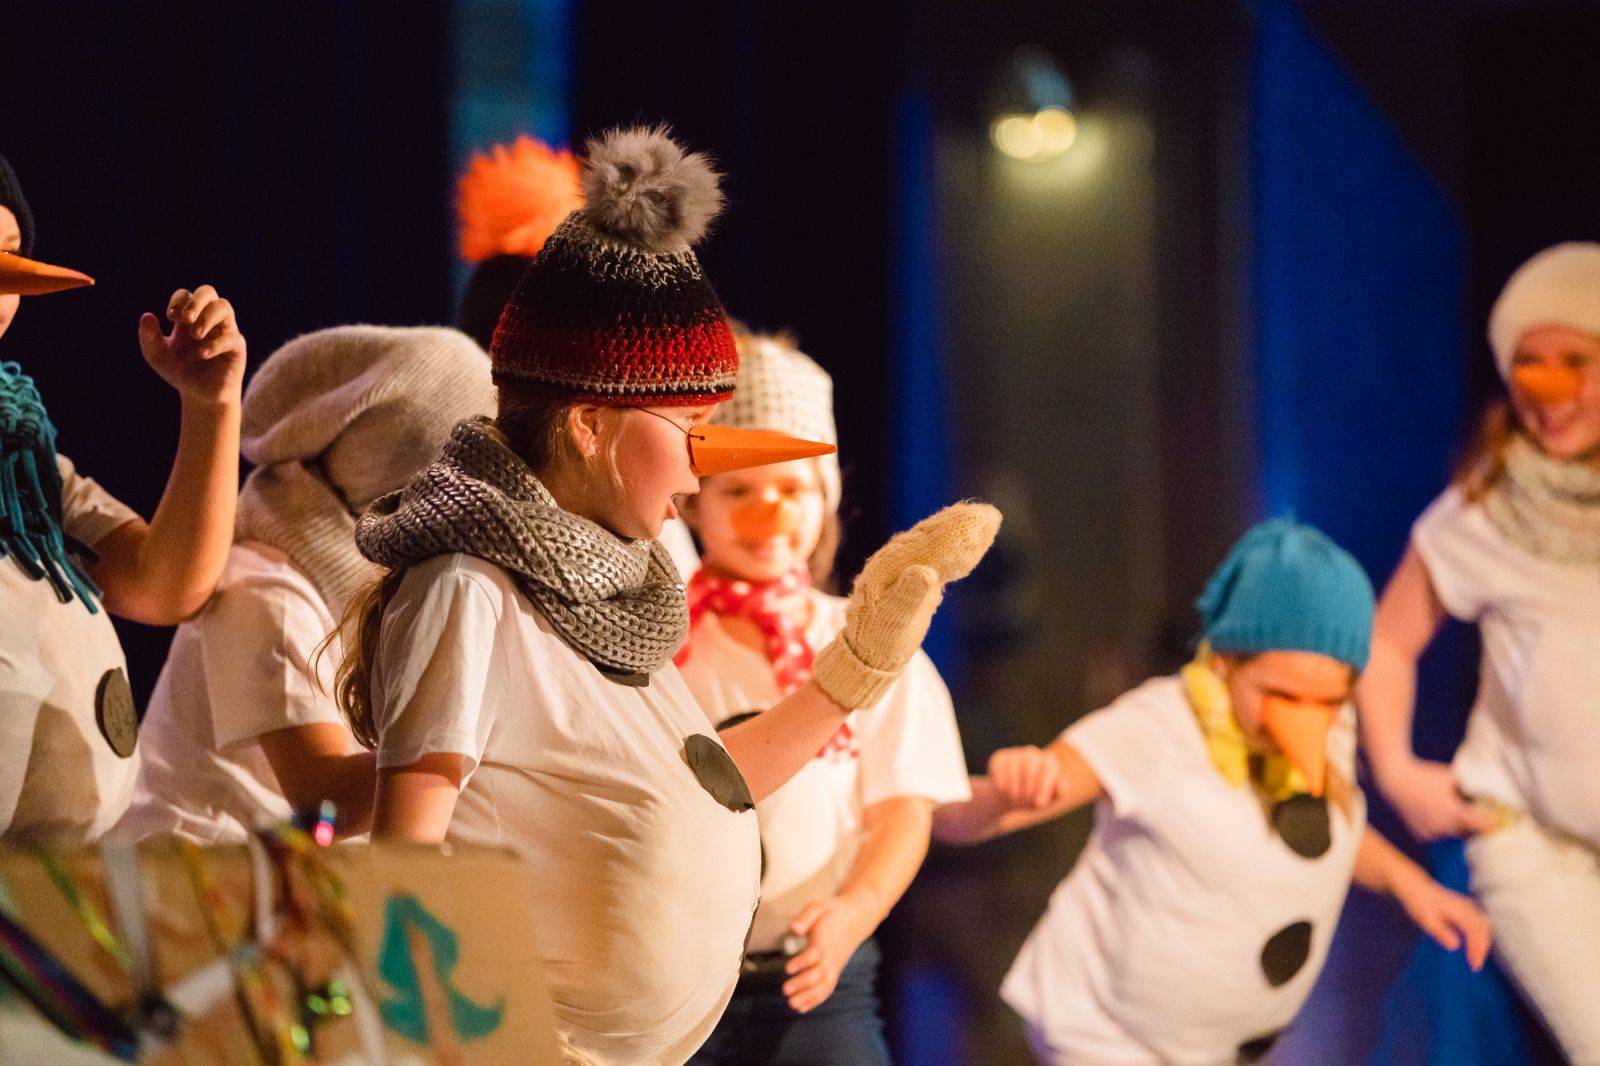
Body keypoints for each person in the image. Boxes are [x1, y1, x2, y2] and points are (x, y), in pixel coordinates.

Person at [332, 126, 1000, 1063]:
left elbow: (705, 785)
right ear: (590, 423)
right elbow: (408, 862)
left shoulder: (611, 584)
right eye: (687, 427)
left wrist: (856, 668)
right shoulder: (469, 588)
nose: (697, 472)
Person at [935, 520, 1489, 1065]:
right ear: (1225, 663)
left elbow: (1335, 834)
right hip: (1107, 1038)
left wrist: (1410, 883)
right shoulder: (1162, 730)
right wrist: (1008, 790)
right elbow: (956, 818)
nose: (1308, 721)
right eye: (1280, 695)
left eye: (1329, 700)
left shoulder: (1330, 727)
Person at [676, 330, 971, 1064]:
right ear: (693, 503)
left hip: (816, 978)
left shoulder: (866, 636)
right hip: (674, 982)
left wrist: (853, 912)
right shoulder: (663, 643)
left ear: (825, 502)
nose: (767, 513)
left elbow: (901, 809)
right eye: (738, 490)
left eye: (793, 490)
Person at [1360, 242, 1600, 1060]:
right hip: (1538, 847)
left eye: (1575, 362)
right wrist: (1398, 772)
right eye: (1529, 364)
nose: (1549, 390)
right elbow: (1386, 642)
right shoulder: (1487, 513)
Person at [118, 325, 495, 843]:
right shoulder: (262, 594)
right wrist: (474, 728)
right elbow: (324, 796)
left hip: (277, 880)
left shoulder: (363, 605)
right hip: (191, 878)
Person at [0, 151, 245, 846]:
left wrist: (210, 406)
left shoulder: (22, 459)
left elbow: (163, 585)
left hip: (57, 878)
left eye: (11, 254)